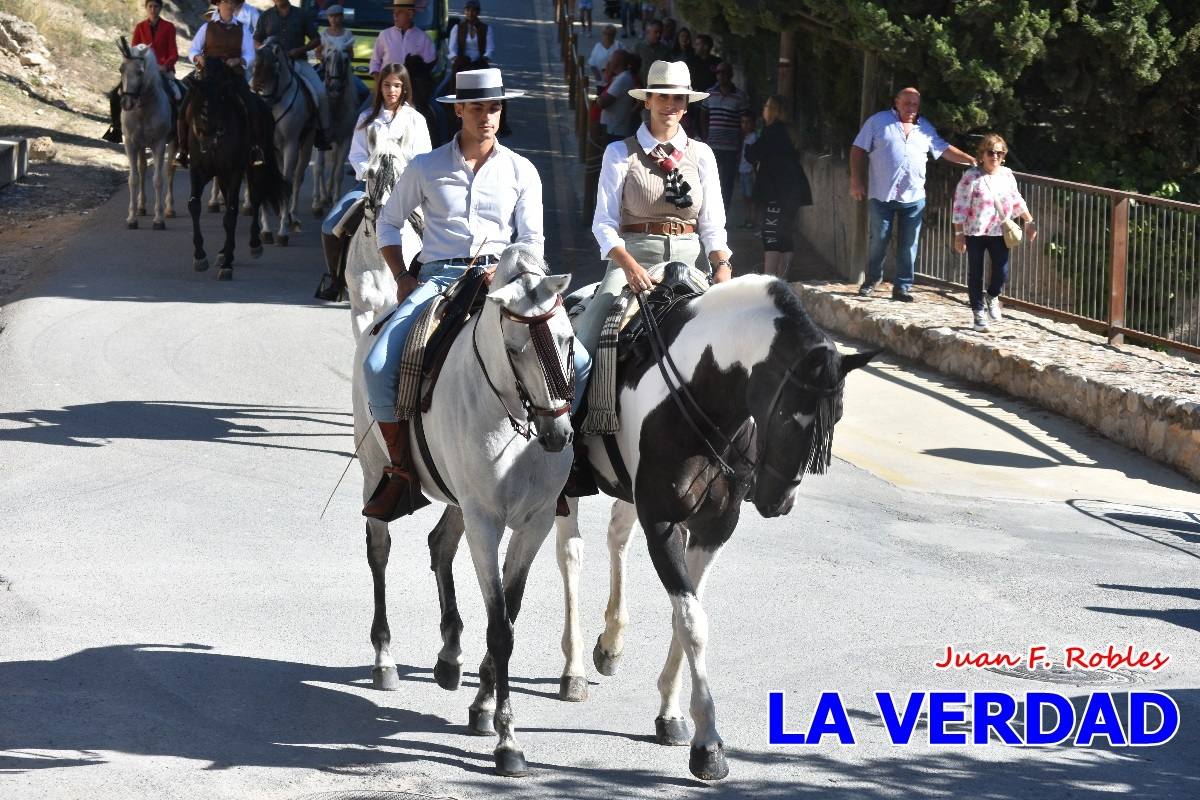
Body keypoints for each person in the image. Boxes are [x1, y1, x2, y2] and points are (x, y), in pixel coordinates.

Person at [362, 68, 580, 519]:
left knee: (579, 359)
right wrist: (403, 277)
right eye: (477, 107)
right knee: (377, 364)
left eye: (494, 107)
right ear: (458, 109)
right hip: (439, 280)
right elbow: (388, 222)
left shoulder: (522, 170)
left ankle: (560, 464)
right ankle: (401, 469)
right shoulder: (426, 167)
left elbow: (533, 241)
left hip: (506, 282)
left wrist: (509, 272)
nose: (486, 116)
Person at [577, 59, 732, 367]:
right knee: (585, 349)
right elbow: (604, 224)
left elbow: (713, 225)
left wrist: (723, 266)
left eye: (678, 98)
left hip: (691, 261)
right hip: (633, 261)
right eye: (662, 96)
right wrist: (630, 267)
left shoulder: (702, 155)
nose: (670, 105)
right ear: (647, 100)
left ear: (686, 105)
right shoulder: (619, 153)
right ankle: (570, 412)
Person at [317, 63, 432, 302]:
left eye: (397, 85)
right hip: (368, 187)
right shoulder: (367, 119)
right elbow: (356, 155)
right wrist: (368, 172)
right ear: (379, 87)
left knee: (431, 227)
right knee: (330, 226)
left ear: (405, 88)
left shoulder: (416, 120)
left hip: (406, 189)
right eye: (387, 84)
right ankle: (336, 279)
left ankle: (431, 278)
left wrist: (406, 177)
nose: (392, 90)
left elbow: (423, 156)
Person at [850, 86, 978, 301]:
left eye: (915, 104)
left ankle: (903, 287)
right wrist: (856, 180)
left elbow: (944, 149)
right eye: (907, 103)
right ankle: (872, 281)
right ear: (897, 102)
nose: (911, 108)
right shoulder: (878, 122)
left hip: (914, 197)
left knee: (910, 244)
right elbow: (857, 149)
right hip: (882, 194)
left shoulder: (924, 127)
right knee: (878, 240)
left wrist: (971, 159)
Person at [951, 133, 1037, 331]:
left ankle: (992, 296)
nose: (995, 156)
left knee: (1001, 272)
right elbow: (960, 206)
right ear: (982, 154)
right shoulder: (971, 176)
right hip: (975, 232)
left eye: (1000, 152)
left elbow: (1016, 200)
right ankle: (978, 313)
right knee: (976, 274)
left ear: (1004, 155)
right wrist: (958, 234)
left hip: (999, 231)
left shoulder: (1007, 174)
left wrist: (1029, 221)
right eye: (991, 152)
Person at [177, 0, 264, 168]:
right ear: (219, 5)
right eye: (226, 2)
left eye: (232, 2)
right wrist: (198, 57)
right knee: (184, 108)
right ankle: (183, 150)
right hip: (208, 76)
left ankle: (254, 148)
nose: (229, 5)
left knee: (252, 106)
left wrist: (239, 60)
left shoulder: (243, 28)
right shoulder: (207, 28)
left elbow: (250, 54)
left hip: (233, 76)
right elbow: (193, 49)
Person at [747, 95, 812, 278]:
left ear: (773, 109)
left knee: (771, 235)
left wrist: (749, 148)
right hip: (793, 191)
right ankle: (781, 279)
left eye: (767, 105)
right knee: (786, 235)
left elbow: (753, 154)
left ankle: (769, 280)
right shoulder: (791, 132)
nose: (764, 108)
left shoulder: (772, 131)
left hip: (775, 191)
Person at [254, 0, 333, 150]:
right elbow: (257, 39)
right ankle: (252, 133)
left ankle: (322, 133)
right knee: (252, 89)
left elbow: (316, 39)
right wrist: (265, 51)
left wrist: (300, 50)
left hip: (298, 62)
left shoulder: (302, 14)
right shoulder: (266, 16)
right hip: (272, 66)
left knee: (321, 93)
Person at [102, 0, 179, 144]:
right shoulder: (140, 27)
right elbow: (133, 51)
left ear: (160, 8)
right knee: (115, 95)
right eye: (150, 6)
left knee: (176, 95)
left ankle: (174, 130)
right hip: (141, 72)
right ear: (146, 8)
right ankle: (117, 129)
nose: (153, 9)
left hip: (162, 71)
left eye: (156, 6)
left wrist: (165, 66)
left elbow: (174, 53)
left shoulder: (169, 27)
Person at [701, 61, 747, 209]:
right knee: (710, 180)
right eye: (718, 73)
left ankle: (724, 211)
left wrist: (741, 145)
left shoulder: (740, 96)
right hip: (712, 145)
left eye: (724, 72)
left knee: (727, 182)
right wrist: (704, 136)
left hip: (731, 147)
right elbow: (703, 115)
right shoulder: (709, 93)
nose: (721, 76)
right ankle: (709, 210)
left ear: (730, 75)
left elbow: (743, 121)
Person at [369, 0, 436, 78]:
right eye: (394, 12)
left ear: (410, 14)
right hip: (388, 87)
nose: (395, 15)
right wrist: (379, 83)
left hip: (412, 88)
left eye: (400, 12)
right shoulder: (384, 35)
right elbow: (374, 62)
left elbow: (430, 65)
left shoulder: (424, 38)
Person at [597, 49, 637, 143]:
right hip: (613, 128)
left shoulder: (623, 79)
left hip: (615, 130)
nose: (609, 62)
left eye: (611, 59)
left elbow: (603, 102)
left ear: (617, 62)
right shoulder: (620, 77)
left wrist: (599, 98)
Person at [447, 0, 495, 73]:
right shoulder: (457, 28)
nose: (470, 13)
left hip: (479, 64)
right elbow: (452, 47)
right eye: (467, 10)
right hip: (462, 64)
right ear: (464, 11)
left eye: (473, 10)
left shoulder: (486, 29)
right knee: (457, 81)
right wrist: (456, 58)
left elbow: (490, 48)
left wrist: (485, 58)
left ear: (478, 12)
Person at [633, 19, 671, 87]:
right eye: (655, 32)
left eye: (660, 32)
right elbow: (633, 69)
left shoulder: (666, 50)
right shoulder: (639, 48)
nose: (658, 35)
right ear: (648, 32)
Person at [736, 109, 756, 230]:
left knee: (751, 198)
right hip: (743, 171)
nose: (745, 125)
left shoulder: (754, 137)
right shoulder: (744, 137)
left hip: (749, 172)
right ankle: (748, 219)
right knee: (745, 198)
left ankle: (752, 220)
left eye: (748, 122)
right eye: (743, 122)